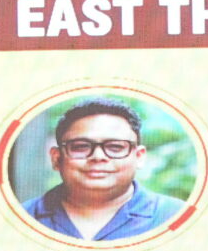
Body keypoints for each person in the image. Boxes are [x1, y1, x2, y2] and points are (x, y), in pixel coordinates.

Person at [21, 98, 183, 241]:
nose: (98, 157)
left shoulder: (177, 218)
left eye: (115, 147)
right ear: (56, 158)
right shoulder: (20, 219)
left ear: (139, 157)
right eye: (81, 146)